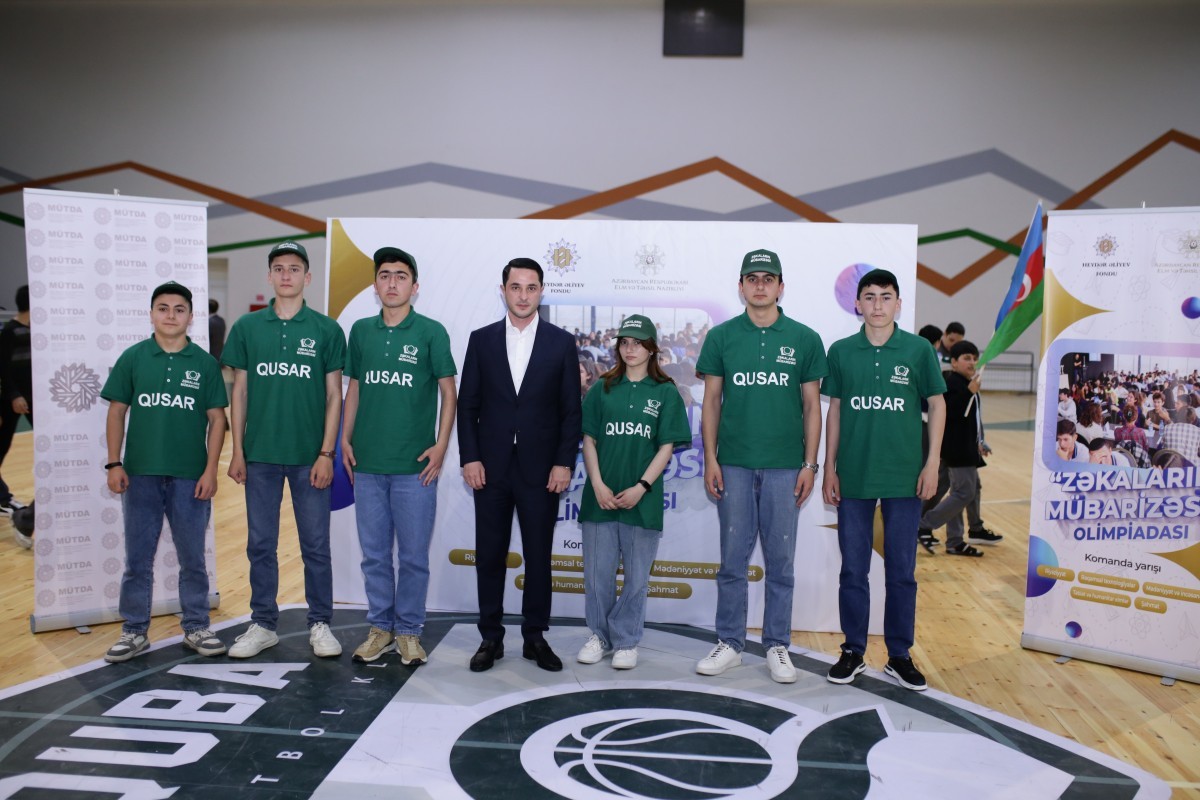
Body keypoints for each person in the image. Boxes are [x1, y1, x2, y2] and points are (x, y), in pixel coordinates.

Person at [694, 248, 827, 684]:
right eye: (752, 278)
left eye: (768, 278)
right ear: (741, 286)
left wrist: (810, 464)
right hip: (733, 465)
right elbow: (711, 401)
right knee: (732, 561)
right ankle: (730, 643)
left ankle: (776, 645)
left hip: (786, 467)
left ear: (780, 287)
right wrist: (711, 458)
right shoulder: (722, 337)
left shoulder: (804, 338)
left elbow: (812, 407)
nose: (760, 285)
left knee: (781, 563)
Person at [822, 269, 946, 692]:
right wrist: (829, 466)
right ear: (857, 303)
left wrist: (932, 463)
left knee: (902, 572)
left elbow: (937, 404)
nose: (878, 304)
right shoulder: (841, 351)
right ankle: (853, 650)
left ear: (898, 303)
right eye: (870, 296)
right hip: (854, 476)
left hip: (904, 477)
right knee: (853, 571)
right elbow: (836, 410)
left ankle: (899, 655)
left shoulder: (918, 350)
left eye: (886, 296)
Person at [458, 257, 582, 673]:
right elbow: (467, 405)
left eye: (531, 288)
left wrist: (563, 462)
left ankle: (535, 637)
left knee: (538, 557)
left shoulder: (561, 343)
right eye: (516, 287)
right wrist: (470, 457)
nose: (523, 295)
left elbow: (570, 410)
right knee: (489, 556)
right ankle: (490, 637)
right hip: (489, 468)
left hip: (541, 470)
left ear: (541, 291)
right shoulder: (481, 340)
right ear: (504, 290)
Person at [223, 241, 346, 659]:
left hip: (310, 459)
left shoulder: (326, 330)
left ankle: (320, 623)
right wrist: (237, 451)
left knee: (315, 546)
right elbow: (239, 392)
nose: (286, 275)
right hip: (260, 457)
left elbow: (335, 395)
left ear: (307, 277)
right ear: (270, 275)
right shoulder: (247, 327)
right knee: (260, 544)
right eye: (279, 268)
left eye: (294, 268)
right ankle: (263, 624)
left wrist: (326, 453)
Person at [100, 282, 228, 663]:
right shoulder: (133, 358)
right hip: (140, 476)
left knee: (193, 560)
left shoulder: (204, 363)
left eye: (179, 309)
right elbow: (116, 412)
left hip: (190, 477)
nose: (170, 315)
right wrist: (114, 462)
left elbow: (218, 420)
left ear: (191, 316)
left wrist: (210, 470)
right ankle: (134, 630)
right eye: (163, 308)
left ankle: (197, 626)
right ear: (152, 314)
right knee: (137, 560)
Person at [341, 247, 457, 665]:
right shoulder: (361, 331)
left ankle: (409, 631)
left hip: (415, 468)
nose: (392, 283)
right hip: (367, 465)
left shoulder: (431, 332)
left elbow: (448, 392)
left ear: (414, 285)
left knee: (412, 557)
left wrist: (441, 445)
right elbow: (354, 388)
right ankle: (380, 629)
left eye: (401, 276)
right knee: (374, 556)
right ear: (375, 284)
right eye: (385, 275)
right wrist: (345, 439)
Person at [576, 315, 690, 670]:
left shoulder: (665, 391)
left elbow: (666, 447)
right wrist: (597, 484)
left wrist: (642, 487)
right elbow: (589, 440)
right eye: (625, 342)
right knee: (598, 575)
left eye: (638, 343)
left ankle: (626, 640)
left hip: (643, 499)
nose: (630, 349)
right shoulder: (602, 387)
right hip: (601, 497)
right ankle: (599, 635)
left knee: (637, 578)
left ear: (652, 348)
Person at [917, 341, 989, 558]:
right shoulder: (951, 382)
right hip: (957, 450)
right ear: (954, 362)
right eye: (967, 358)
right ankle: (923, 525)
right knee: (964, 493)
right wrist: (968, 392)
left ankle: (955, 541)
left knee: (960, 492)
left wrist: (979, 441)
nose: (972, 362)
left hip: (965, 448)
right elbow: (949, 412)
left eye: (975, 358)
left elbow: (971, 419)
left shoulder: (966, 383)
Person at [0, 285, 32, 536]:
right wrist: (14, 395)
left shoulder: (37, 332)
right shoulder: (9, 331)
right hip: (11, 401)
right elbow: (3, 368)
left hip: (34, 400)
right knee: (2, 447)